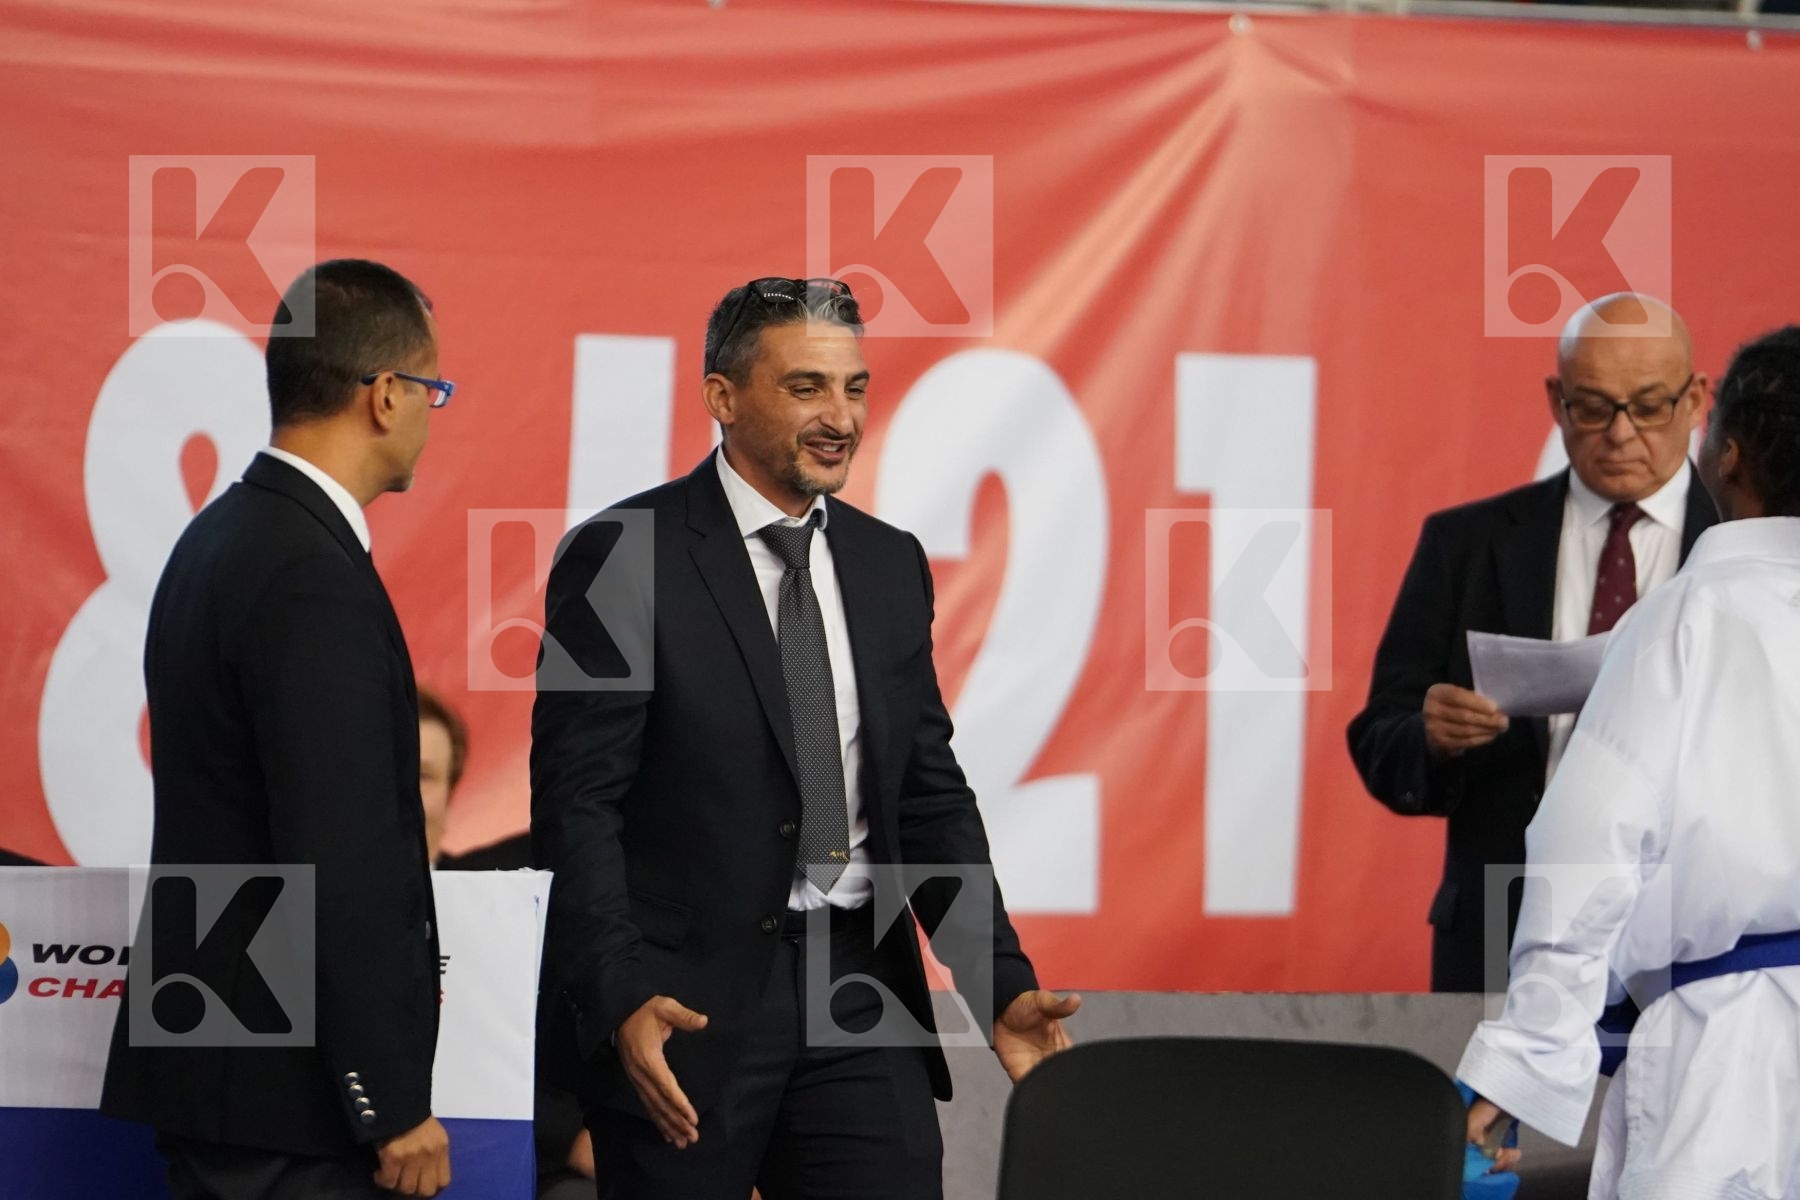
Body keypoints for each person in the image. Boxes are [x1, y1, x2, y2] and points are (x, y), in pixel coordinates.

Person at [532, 276, 1079, 1199]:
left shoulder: (888, 562)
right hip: (687, 1007)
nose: (840, 417)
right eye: (806, 388)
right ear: (722, 397)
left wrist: (997, 982)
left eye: (855, 388)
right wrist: (617, 991)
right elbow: (578, 804)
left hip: (861, 989)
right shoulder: (624, 553)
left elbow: (926, 791)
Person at [101, 259, 454, 1199]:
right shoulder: (305, 569)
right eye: (434, 390)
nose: (431, 414)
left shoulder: (224, 535)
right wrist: (388, 1101)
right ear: (385, 395)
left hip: (232, 1069)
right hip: (287, 1105)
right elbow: (337, 850)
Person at [1460, 325, 1800, 1197]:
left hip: (1734, 1062)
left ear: (1723, 455)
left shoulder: (1686, 618)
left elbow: (1588, 851)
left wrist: (1525, 1058)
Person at [1347, 293, 1719, 992]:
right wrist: (1431, 734)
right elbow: (1379, 735)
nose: (1619, 432)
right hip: (1503, 921)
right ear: (1556, 400)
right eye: (1593, 406)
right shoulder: (1467, 544)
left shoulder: (1743, 550)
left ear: (1697, 400)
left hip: (1695, 929)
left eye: (1648, 406)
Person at [416, 684, 590, 1199]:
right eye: (386, 765)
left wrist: (569, 1139)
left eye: (424, 775)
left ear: (451, 790)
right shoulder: (302, 902)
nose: (403, 788)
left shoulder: (510, 899)